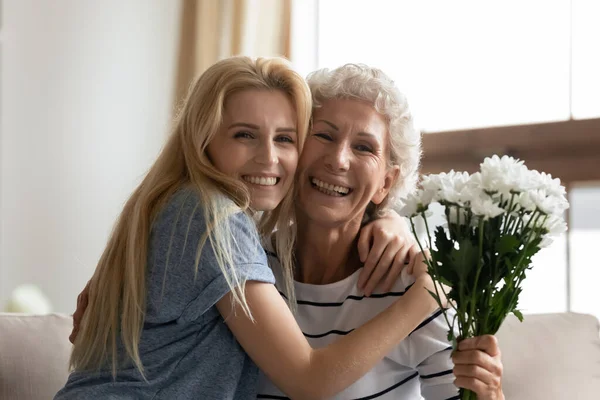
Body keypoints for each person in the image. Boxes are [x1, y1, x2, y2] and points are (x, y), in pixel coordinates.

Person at [56, 56, 445, 400]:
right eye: (245, 135)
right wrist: (428, 295)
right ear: (203, 139)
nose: (269, 157)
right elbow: (308, 380)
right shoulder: (215, 221)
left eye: (284, 139)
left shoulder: (213, 224)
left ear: (387, 183)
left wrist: (393, 222)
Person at [257, 64, 505, 399]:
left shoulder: (420, 286)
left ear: (385, 184)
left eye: (364, 147)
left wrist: (490, 393)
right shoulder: (250, 266)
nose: (339, 160)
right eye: (324, 135)